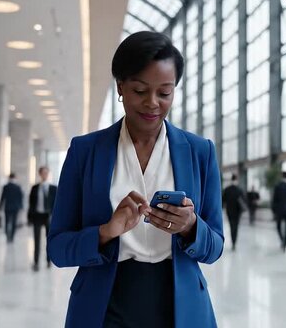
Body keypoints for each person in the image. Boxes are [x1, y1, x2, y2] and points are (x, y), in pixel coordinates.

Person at [47, 31, 223, 328]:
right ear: (120, 87)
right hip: (105, 304)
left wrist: (190, 227)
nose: (152, 103)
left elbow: (215, 246)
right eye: (140, 91)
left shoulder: (199, 152)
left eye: (164, 93)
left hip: (180, 305)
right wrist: (105, 232)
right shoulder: (85, 151)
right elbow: (58, 249)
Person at [28, 166, 57, 271]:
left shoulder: (54, 188)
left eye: (46, 173)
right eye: (42, 173)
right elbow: (31, 204)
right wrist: (29, 218)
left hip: (49, 216)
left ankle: (48, 260)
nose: (44, 175)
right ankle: (36, 262)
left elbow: (57, 205)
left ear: (48, 174)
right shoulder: (35, 188)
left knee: (49, 240)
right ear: (39, 174)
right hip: (37, 216)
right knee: (36, 240)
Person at [222, 174, 245, 251]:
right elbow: (244, 200)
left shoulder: (227, 189)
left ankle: (233, 242)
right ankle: (234, 242)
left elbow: (223, 201)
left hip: (229, 211)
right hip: (238, 212)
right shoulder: (239, 190)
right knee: (236, 227)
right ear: (236, 180)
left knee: (231, 226)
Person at [0, 173, 24, 243]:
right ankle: (12, 237)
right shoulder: (18, 187)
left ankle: (7, 236)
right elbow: (20, 197)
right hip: (15, 207)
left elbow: (2, 197)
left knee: (7, 222)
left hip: (7, 207)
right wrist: (21, 207)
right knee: (14, 222)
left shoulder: (6, 187)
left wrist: (0, 206)